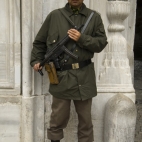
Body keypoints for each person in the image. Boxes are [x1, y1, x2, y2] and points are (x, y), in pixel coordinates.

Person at [30, 0, 107, 142]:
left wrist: (82, 38)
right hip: (61, 77)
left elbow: (101, 43)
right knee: (57, 119)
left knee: (86, 122)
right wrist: (36, 60)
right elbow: (39, 42)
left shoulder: (94, 17)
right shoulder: (54, 16)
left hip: (85, 77)